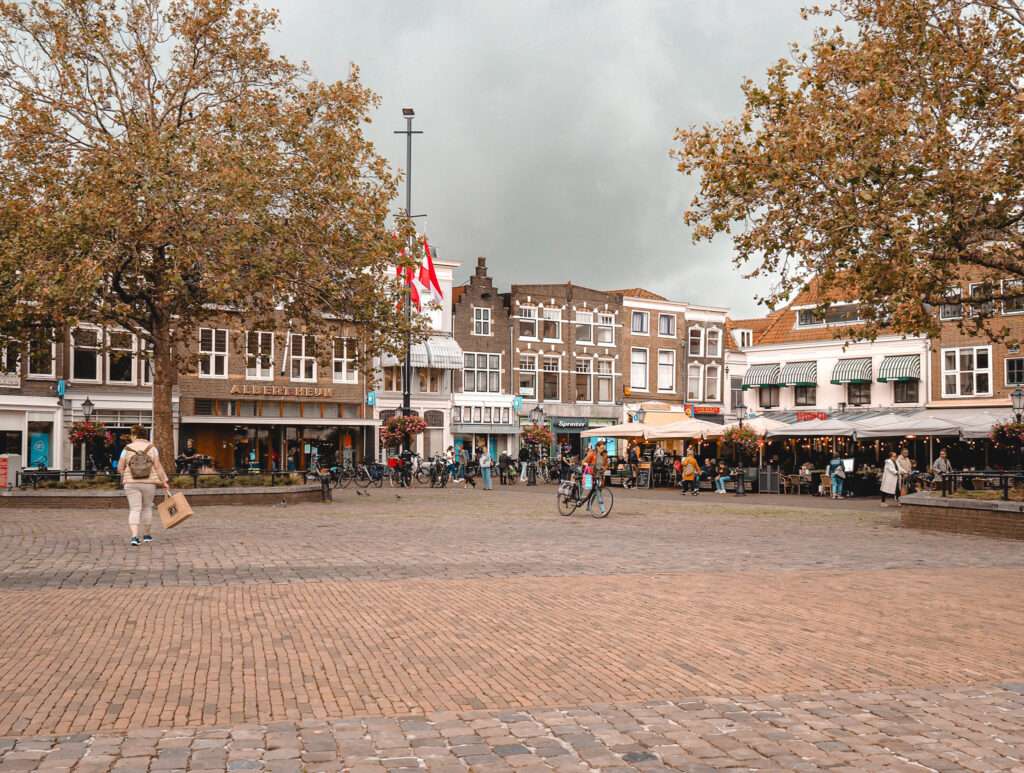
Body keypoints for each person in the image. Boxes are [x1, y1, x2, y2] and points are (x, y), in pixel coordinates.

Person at [117, 424, 170, 546]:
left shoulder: (126, 448)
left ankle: (134, 537)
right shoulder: (152, 448)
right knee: (147, 508)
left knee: (135, 509)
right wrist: (164, 481)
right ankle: (146, 535)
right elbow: (158, 467)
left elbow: (120, 467)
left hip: (131, 483)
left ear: (135, 435)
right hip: (149, 483)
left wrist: (126, 473)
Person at [582, 440, 609, 515]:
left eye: (603, 448)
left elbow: (606, 464)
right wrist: (588, 465)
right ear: (597, 447)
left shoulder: (605, 455)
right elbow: (583, 461)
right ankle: (584, 502)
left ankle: (601, 509)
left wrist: (604, 468)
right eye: (601, 448)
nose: (602, 449)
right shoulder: (592, 454)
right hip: (590, 475)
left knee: (597, 491)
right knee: (590, 489)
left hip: (598, 475)